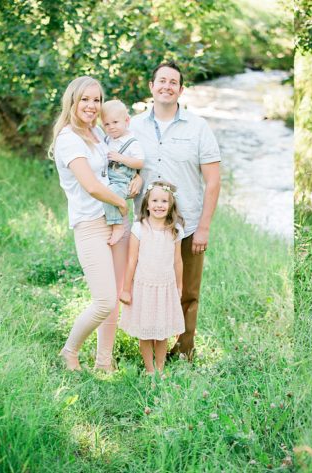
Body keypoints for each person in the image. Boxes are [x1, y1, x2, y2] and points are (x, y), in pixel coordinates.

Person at [130, 61, 221, 362]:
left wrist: (204, 227)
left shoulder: (198, 127)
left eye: (173, 82)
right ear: (151, 86)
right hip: (147, 228)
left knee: (186, 291)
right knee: (147, 287)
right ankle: (150, 347)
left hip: (188, 224)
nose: (166, 86)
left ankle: (183, 351)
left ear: (181, 90)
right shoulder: (134, 126)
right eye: (161, 81)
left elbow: (213, 180)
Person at [51, 76, 141, 372]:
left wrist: (136, 177)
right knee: (103, 299)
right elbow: (91, 185)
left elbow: (116, 169)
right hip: (90, 224)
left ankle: (104, 361)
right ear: (73, 102)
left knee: (114, 298)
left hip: (116, 222)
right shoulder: (68, 139)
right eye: (85, 100)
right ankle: (69, 351)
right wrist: (120, 204)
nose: (92, 106)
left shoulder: (98, 134)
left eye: (97, 100)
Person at [119, 181, 187, 377]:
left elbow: (178, 262)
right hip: (144, 287)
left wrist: (179, 286)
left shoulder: (175, 230)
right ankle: (150, 370)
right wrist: (126, 289)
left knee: (162, 331)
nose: (159, 205)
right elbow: (132, 261)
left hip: (165, 287)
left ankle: (160, 369)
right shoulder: (139, 228)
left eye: (164, 201)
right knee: (146, 331)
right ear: (147, 205)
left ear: (171, 205)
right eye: (155, 200)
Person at [100, 100, 145, 246]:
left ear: (126, 121)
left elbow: (140, 162)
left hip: (123, 181)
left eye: (115, 122)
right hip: (111, 178)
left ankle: (117, 225)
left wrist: (121, 158)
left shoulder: (132, 142)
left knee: (110, 193)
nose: (111, 127)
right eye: (107, 124)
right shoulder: (108, 139)